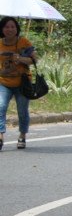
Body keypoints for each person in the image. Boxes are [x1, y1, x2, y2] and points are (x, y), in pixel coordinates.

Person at [0, 16, 37, 150]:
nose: (10, 29)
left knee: (22, 111)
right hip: (3, 82)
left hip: (22, 83)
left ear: (17, 29)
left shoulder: (24, 42)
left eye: (12, 27)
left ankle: (22, 136)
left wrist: (21, 58)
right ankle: (0, 136)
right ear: (2, 29)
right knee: (0, 107)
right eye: (6, 27)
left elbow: (34, 60)